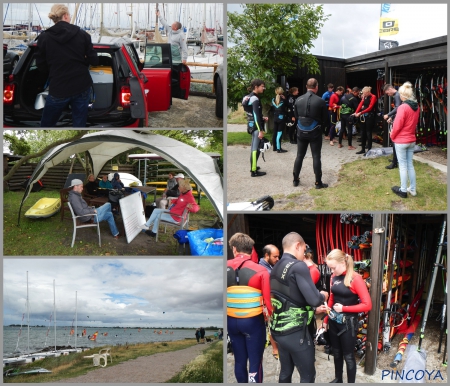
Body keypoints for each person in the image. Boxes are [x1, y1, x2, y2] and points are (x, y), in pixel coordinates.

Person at [270, 232, 329, 383]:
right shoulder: (298, 266)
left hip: (279, 331)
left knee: (285, 373)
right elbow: (314, 299)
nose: (304, 254)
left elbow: (291, 296)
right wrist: (323, 294)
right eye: (304, 250)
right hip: (297, 333)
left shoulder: (275, 266)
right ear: (297, 245)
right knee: (308, 377)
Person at [36, 4, 98, 127]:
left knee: (47, 124)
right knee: (79, 124)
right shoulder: (83, 35)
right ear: (66, 16)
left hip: (58, 87)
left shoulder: (44, 37)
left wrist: (53, 72)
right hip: (81, 86)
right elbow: (94, 61)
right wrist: (84, 61)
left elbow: (40, 65)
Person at [227, 232, 272, 383]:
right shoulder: (261, 270)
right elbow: (268, 302)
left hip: (232, 322)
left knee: (239, 361)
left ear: (234, 249)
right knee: (255, 362)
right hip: (253, 322)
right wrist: (269, 316)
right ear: (252, 250)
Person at [323, 249, 372, 383]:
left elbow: (367, 305)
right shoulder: (334, 277)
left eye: (333, 268)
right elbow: (332, 298)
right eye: (330, 268)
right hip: (334, 322)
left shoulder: (355, 279)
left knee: (349, 356)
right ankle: (338, 379)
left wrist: (344, 308)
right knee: (336, 353)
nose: (332, 271)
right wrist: (326, 318)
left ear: (343, 262)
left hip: (348, 324)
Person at [293, 78, 329, 189]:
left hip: (301, 131)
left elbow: (296, 116)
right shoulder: (320, 101)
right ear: (316, 87)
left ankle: (295, 180)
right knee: (316, 156)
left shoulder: (298, 99)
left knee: (299, 155)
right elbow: (326, 119)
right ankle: (318, 183)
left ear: (306, 86)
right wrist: (325, 130)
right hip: (315, 132)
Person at [390, 81, 419, 198]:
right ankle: (412, 189)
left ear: (403, 95)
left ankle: (403, 190)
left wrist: (392, 135)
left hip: (402, 140)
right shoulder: (417, 107)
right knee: (410, 165)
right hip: (411, 139)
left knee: (402, 166)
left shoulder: (403, 107)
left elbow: (397, 125)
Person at [242, 79, 269, 177]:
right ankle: (254, 171)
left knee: (254, 147)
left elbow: (251, 113)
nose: (264, 88)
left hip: (250, 124)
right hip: (256, 126)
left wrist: (262, 118)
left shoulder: (246, 97)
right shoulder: (255, 99)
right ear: (256, 87)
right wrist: (261, 130)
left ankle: (254, 166)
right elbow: (256, 116)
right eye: (262, 86)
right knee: (255, 148)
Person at [259, 244, 280, 360]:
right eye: (275, 257)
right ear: (267, 255)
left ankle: (277, 346)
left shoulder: (270, 266)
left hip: (274, 300)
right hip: (269, 302)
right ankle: (275, 348)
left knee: (275, 324)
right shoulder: (263, 269)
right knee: (271, 325)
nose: (278, 259)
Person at [383, 84, 403, 169]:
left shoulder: (397, 95)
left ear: (390, 89)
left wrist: (388, 114)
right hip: (397, 119)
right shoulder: (397, 95)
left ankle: (395, 162)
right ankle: (396, 159)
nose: (388, 95)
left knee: (395, 140)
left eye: (388, 93)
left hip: (399, 121)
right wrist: (391, 117)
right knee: (395, 140)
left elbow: (398, 108)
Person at [354, 86, 377, 155]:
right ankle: (363, 149)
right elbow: (360, 104)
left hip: (369, 116)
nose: (363, 95)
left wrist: (360, 112)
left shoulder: (373, 97)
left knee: (368, 133)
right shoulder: (365, 96)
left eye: (364, 93)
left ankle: (369, 150)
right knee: (362, 132)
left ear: (368, 92)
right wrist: (356, 112)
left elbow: (370, 107)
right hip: (363, 116)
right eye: (363, 93)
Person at [271, 87, 288, 153]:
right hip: (281, 118)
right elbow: (288, 105)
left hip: (275, 118)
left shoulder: (273, 99)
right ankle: (279, 149)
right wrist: (285, 99)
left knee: (275, 133)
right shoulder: (283, 100)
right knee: (279, 133)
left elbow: (272, 108)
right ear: (282, 92)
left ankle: (274, 147)